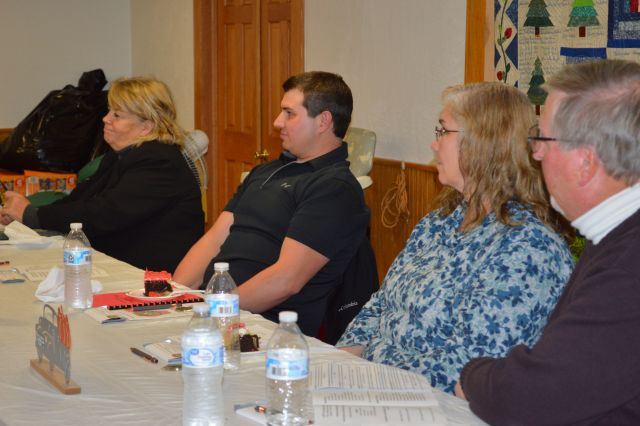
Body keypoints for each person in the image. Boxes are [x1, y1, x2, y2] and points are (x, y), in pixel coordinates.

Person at [336, 82, 574, 393]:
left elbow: (466, 370)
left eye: (442, 131)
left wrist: (372, 359)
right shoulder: (438, 222)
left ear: (483, 143)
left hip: (442, 404)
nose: (434, 144)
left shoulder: (529, 250)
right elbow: (380, 306)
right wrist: (338, 364)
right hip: (380, 387)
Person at [455, 60, 640, 424]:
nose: (535, 152)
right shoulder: (614, 236)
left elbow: (529, 397)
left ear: (585, 163)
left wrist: (472, 374)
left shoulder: (629, 268)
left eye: (542, 138)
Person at [173, 71, 370, 336]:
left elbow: (286, 279)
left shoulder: (335, 188)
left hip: (264, 329)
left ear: (323, 121)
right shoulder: (264, 172)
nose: (278, 122)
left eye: (289, 113)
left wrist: (213, 312)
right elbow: (214, 240)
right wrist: (174, 298)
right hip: (216, 311)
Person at [0, 77, 204, 272]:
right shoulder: (120, 156)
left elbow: (103, 214)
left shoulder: (160, 162)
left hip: (151, 277)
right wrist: (25, 214)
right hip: (118, 264)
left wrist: (32, 215)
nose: (105, 119)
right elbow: (78, 200)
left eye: (117, 115)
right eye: (109, 111)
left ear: (146, 127)